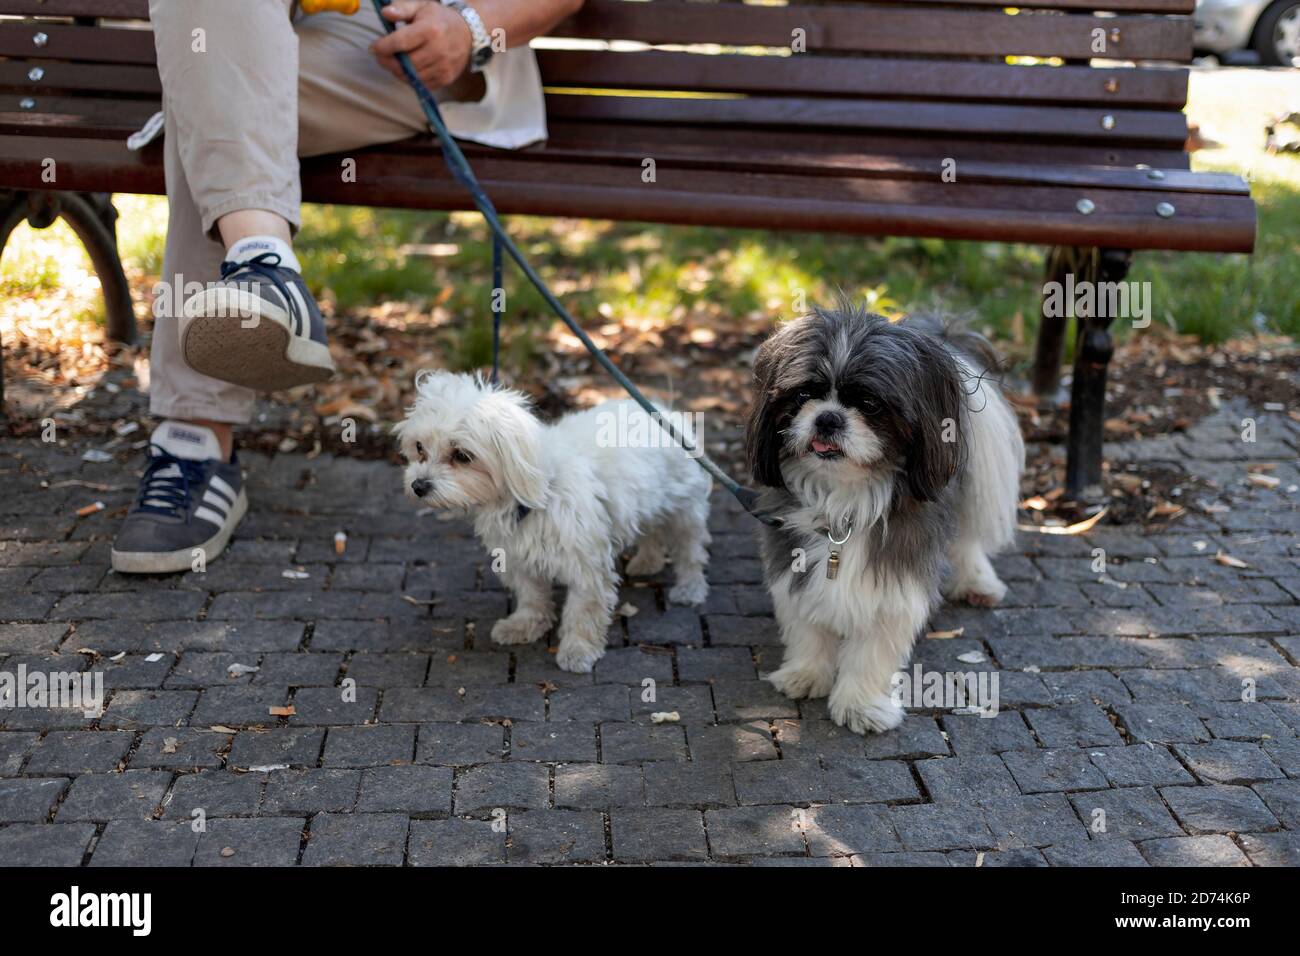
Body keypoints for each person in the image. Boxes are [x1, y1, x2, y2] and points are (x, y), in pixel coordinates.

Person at [111, 0, 583, 574]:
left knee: (212, 103)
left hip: (421, 40)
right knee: (216, 83)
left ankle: (196, 435)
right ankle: (263, 262)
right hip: (263, 30)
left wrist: (471, 28)